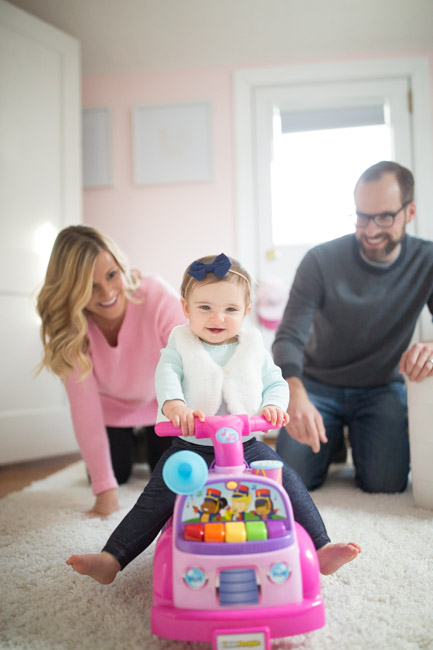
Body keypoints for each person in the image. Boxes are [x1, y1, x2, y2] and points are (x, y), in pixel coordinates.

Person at [66, 253, 360, 584]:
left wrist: (273, 405)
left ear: (246, 311)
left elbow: (275, 381)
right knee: (156, 496)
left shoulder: (253, 344)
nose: (217, 317)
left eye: (231, 309)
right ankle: (112, 558)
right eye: (205, 307)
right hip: (192, 445)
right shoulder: (180, 342)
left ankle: (322, 548)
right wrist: (175, 406)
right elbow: (167, 375)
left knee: (287, 480)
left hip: (246, 444)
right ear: (186, 308)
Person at [273, 161, 433, 493]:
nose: (371, 230)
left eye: (384, 217)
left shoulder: (427, 260)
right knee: (292, 482)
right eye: (362, 216)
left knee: (386, 484)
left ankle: (345, 438)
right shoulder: (320, 260)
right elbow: (288, 336)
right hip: (316, 386)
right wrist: (294, 392)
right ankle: (333, 445)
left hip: (381, 387)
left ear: (410, 211)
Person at [36, 225, 186, 517]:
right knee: (113, 474)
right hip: (112, 408)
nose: (106, 293)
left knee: (169, 474)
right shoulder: (70, 330)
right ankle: (132, 440)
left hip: (165, 404)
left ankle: (147, 437)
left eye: (111, 275)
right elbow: (85, 410)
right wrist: (105, 492)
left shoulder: (155, 294)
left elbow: (193, 364)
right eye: (90, 287)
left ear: (120, 265)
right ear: (71, 291)